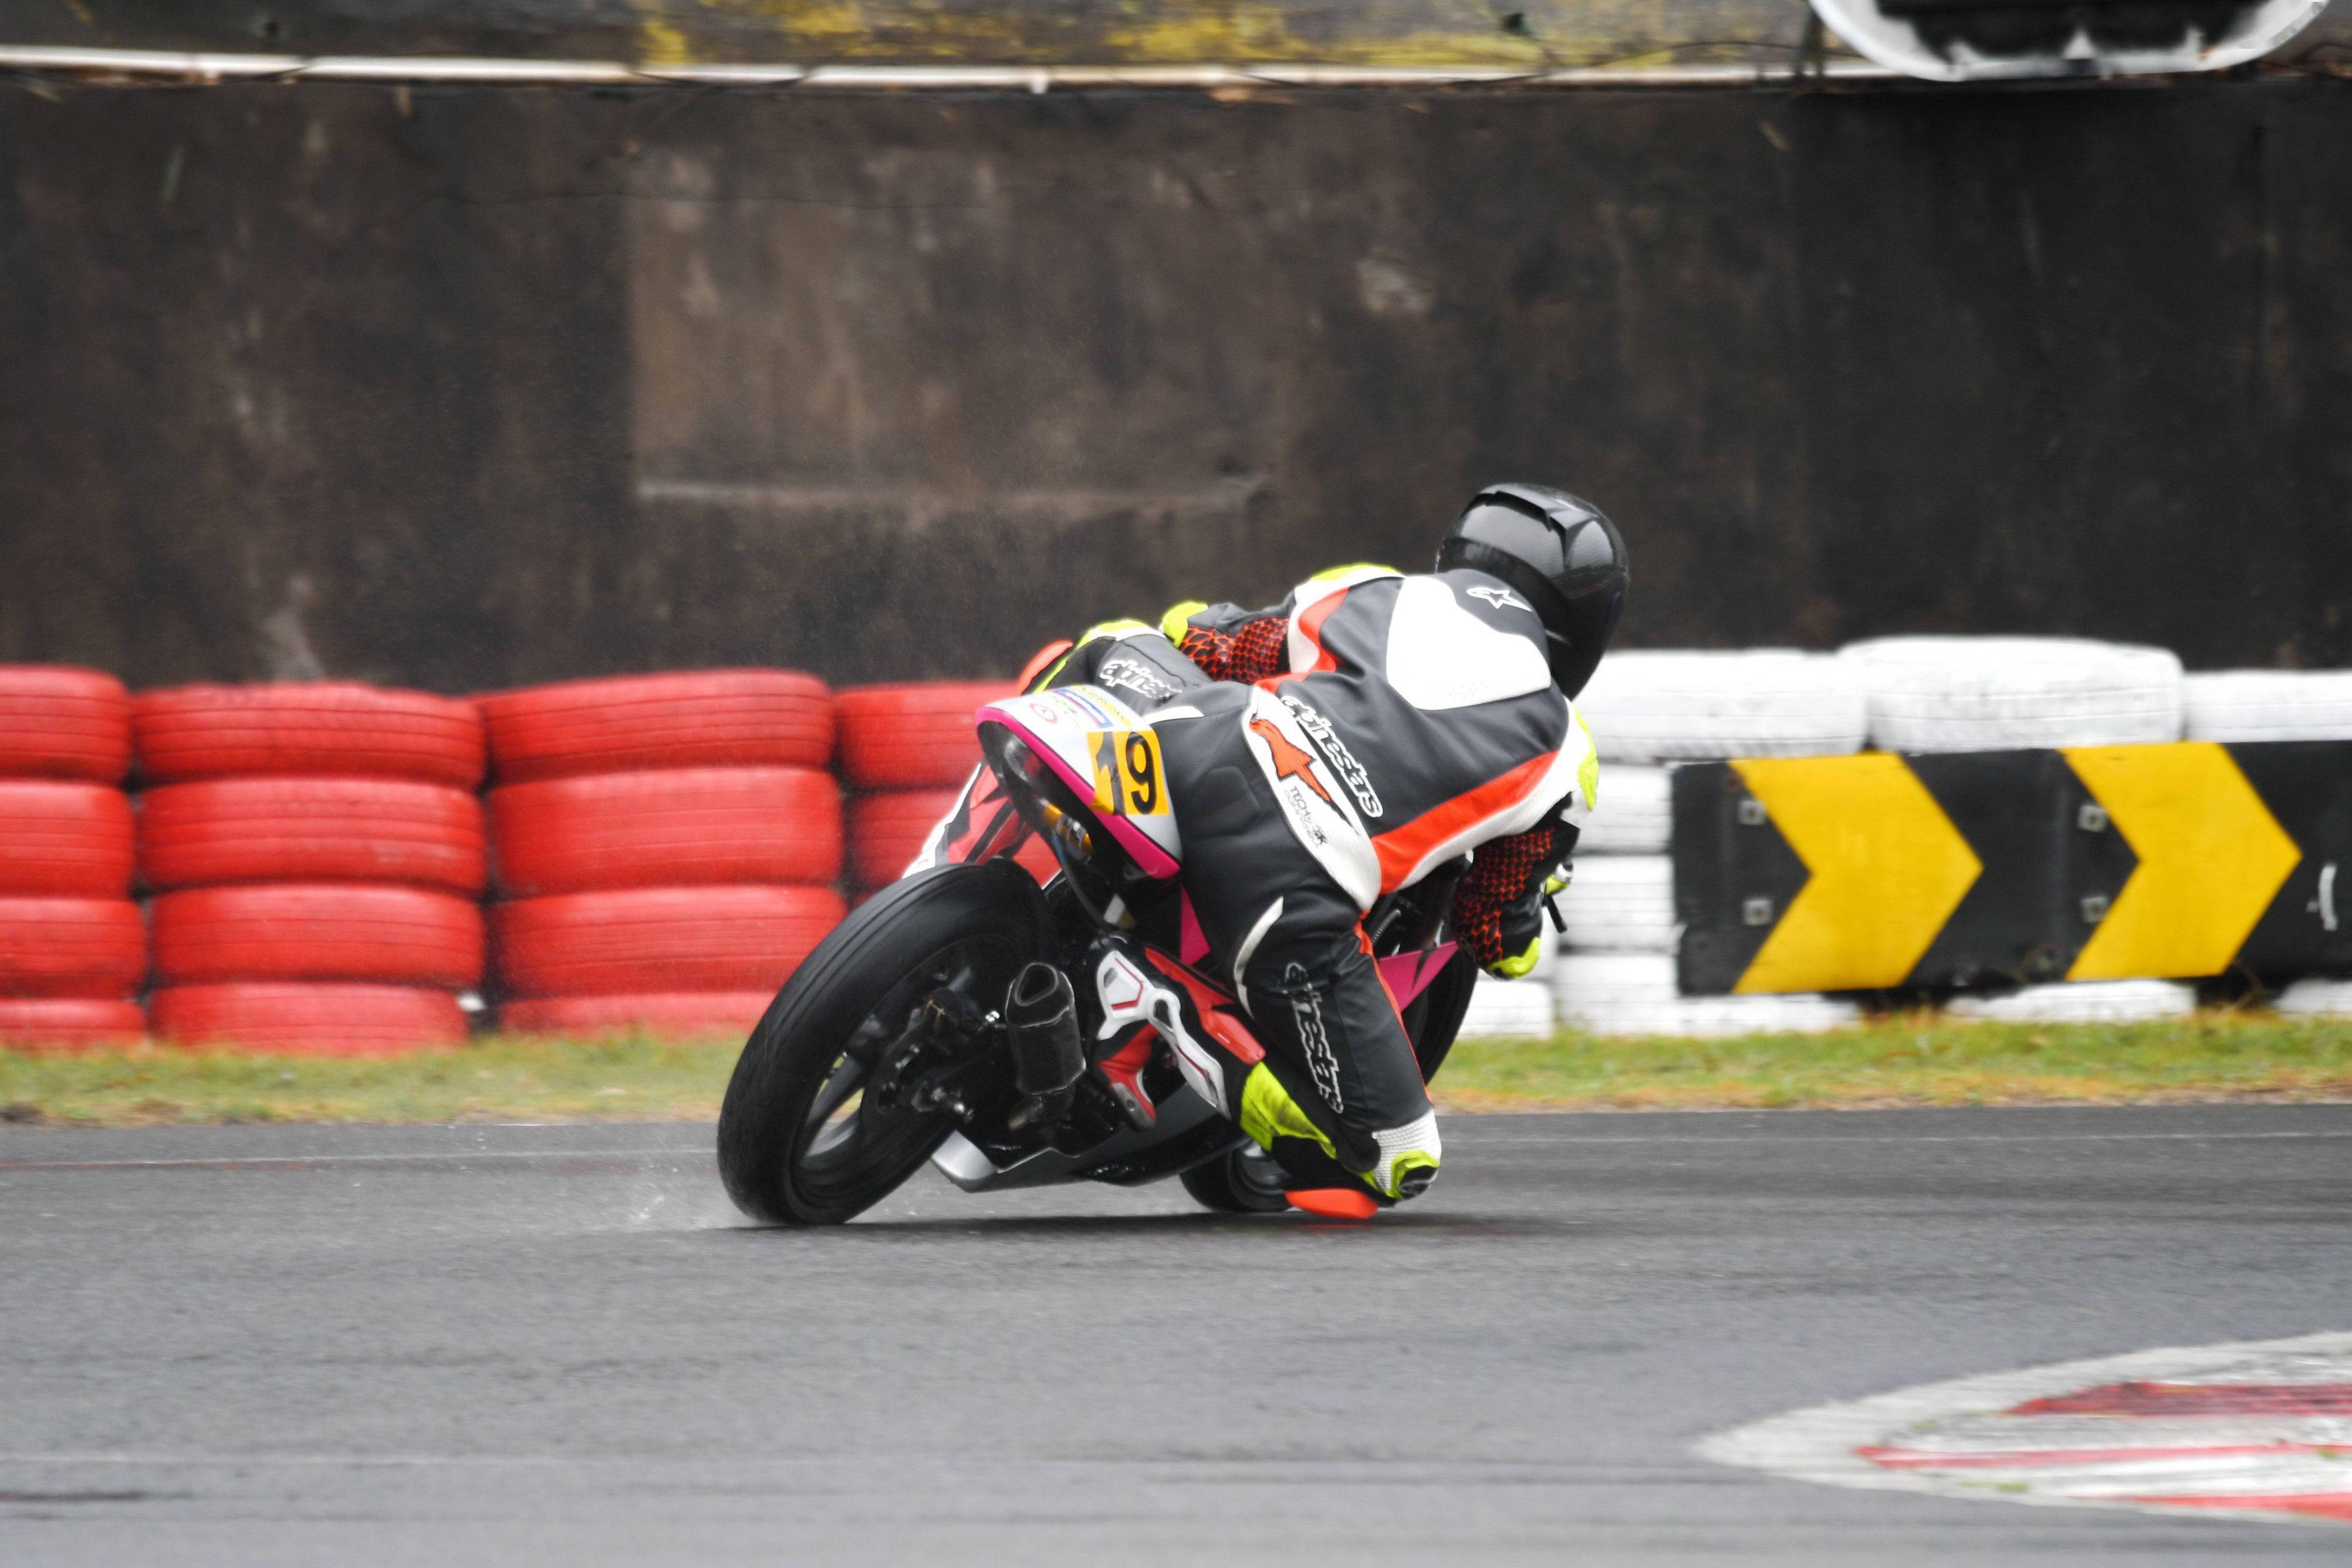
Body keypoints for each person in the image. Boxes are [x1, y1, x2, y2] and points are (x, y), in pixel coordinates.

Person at [929, 483, 1628, 1208]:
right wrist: (1529, 910)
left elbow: (1202, 636)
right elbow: (1493, 934)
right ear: (1583, 629)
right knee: (1394, 1163)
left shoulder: (1368, 588)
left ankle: (942, 871)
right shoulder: (1565, 750)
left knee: (1113, 640)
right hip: (1286, 876)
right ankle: (1150, 994)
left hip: (1195, 739)